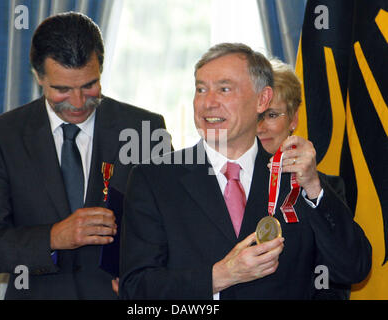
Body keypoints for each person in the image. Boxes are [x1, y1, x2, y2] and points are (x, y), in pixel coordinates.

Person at [119, 43, 371, 299]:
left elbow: (353, 268)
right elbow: (136, 291)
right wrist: (219, 277)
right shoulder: (154, 179)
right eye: (201, 89)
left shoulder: (300, 183)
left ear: (262, 99)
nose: (208, 103)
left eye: (224, 89)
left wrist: (314, 188)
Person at [0, 12, 168, 300]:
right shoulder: (4, 135)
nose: (77, 103)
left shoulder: (145, 129)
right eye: (62, 89)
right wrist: (53, 237)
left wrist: (147, 272)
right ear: (38, 76)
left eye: (89, 85)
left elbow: (171, 229)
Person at [257, 59, 352, 299]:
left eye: (271, 115)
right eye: (253, 115)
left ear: (293, 120)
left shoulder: (323, 189)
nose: (260, 127)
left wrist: (312, 187)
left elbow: (347, 270)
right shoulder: (226, 184)